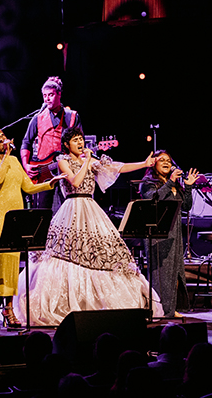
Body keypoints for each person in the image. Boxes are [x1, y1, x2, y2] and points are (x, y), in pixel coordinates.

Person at [16, 127, 162, 325]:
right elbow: (75, 182)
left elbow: (117, 167)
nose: (80, 143)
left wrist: (143, 164)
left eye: (81, 139)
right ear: (66, 144)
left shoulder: (90, 161)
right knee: (67, 253)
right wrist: (86, 161)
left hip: (91, 209)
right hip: (72, 207)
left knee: (103, 253)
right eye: (75, 140)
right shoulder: (62, 161)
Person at [0, 126, 63, 329]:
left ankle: (8, 309)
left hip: (16, 214)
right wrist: (6, 156)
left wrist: (50, 183)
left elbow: (28, 187)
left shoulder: (14, 161)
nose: (1, 137)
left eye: (3, 135)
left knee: (13, 260)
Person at [138, 151, 199, 317]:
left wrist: (188, 186)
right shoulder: (148, 183)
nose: (166, 163)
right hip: (157, 234)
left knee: (175, 272)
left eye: (169, 160)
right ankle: (160, 309)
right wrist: (171, 181)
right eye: (162, 160)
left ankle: (171, 308)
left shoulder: (174, 185)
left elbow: (186, 206)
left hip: (175, 233)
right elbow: (153, 199)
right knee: (161, 273)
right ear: (154, 164)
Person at [20, 76, 81, 210]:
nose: (47, 99)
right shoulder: (37, 118)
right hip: (44, 171)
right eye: (44, 95)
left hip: (67, 170)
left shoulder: (72, 116)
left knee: (69, 209)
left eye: (51, 95)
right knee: (43, 210)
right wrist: (26, 165)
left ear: (59, 94)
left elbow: (80, 143)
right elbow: (26, 142)